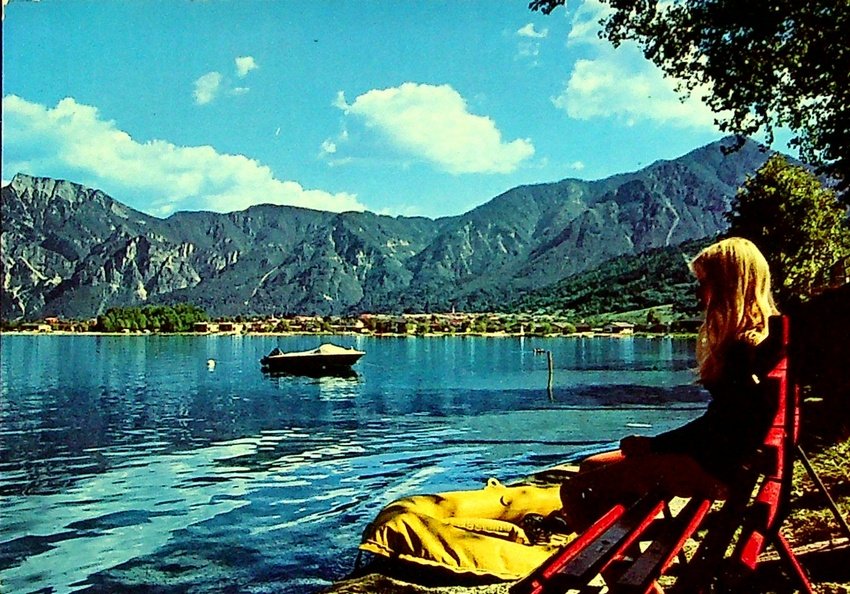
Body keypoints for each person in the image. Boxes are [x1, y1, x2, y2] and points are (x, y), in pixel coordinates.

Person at [560, 237, 781, 532]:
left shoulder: (741, 349)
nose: (699, 293)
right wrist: (656, 446)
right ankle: (624, 553)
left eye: (705, 283)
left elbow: (717, 430)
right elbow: (723, 423)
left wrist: (654, 444)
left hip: (713, 468)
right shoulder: (764, 340)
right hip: (730, 464)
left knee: (574, 490)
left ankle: (622, 569)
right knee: (591, 466)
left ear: (729, 286)